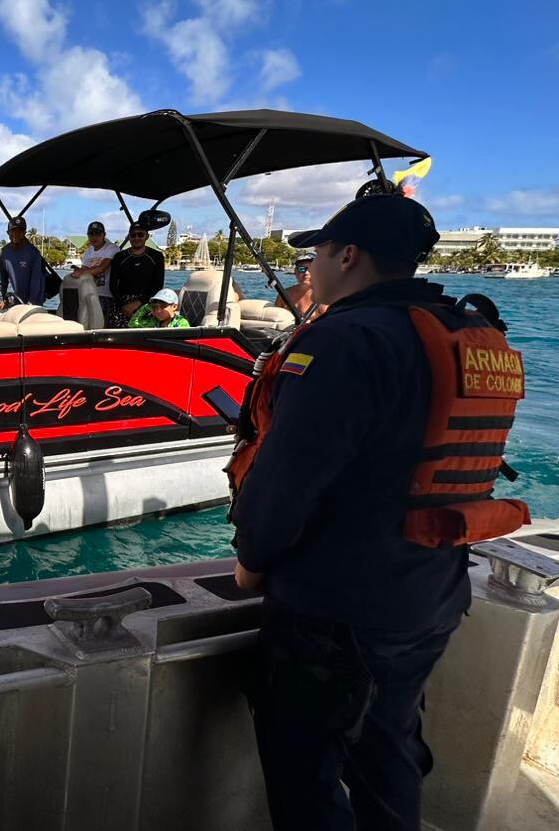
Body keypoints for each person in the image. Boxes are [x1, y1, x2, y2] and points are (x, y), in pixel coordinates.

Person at [226, 187, 529, 830]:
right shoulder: (464, 334)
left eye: (319, 254)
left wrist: (251, 561)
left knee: (306, 779)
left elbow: (284, 485)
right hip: (429, 596)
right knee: (388, 759)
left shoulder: (347, 340)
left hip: (337, 615)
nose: (310, 269)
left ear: (350, 255)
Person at [109, 220, 165, 327]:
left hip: (146, 301)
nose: (137, 238)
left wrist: (138, 303)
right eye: (133, 235)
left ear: (147, 236)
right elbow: (112, 284)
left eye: (140, 235)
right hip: (122, 302)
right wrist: (123, 305)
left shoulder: (156, 256)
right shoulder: (119, 257)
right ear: (129, 237)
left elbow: (158, 285)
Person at [70, 221, 120, 326]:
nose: (94, 237)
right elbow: (84, 270)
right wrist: (79, 271)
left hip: (106, 295)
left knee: (102, 325)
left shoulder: (112, 248)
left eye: (97, 234)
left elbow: (102, 268)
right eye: (91, 234)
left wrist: (82, 272)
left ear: (104, 235)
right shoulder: (88, 252)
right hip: (87, 293)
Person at [0, 216, 45, 307]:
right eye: (13, 231)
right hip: (17, 299)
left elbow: (36, 280)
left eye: (20, 231)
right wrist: (2, 298)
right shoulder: (3, 253)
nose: (16, 234)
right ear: (8, 233)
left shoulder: (34, 253)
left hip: (34, 299)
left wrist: (32, 301)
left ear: (24, 233)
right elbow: (3, 280)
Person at [274, 252, 323, 320]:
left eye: (311, 269)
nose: (306, 273)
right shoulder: (284, 295)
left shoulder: (325, 297)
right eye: (302, 269)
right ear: (295, 272)